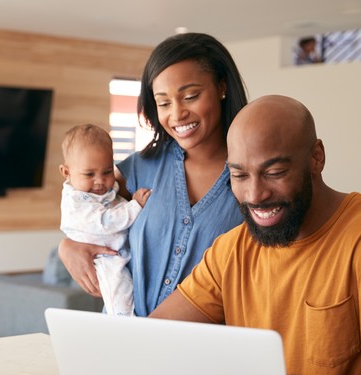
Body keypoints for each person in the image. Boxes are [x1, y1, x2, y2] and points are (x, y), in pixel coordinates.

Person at [150, 95, 361, 375]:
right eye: (239, 175)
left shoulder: (355, 239)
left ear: (316, 158)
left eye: (274, 172)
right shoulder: (230, 250)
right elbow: (150, 339)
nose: (254, 195)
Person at [59, 33, 248, 316]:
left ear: (222, 87)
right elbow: (84, 209)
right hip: (129, 339)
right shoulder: (139, 168)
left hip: (208, 347)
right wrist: (67, 246)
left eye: (190, 96)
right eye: (163, 103)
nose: (177, 113)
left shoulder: (252, 177)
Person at [59, 124, 151, 316]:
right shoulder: (76, 202)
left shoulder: (98, 191)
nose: (100, 181)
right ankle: (124, 325)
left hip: (117, 252)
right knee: (120, 295)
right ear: (66, 172)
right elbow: (106, 222)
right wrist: (136, 206)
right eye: (90, 174)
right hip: (103, 259)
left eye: (107, 171)